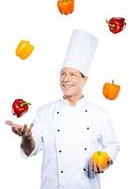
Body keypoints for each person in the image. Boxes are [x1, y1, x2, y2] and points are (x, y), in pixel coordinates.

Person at [6, 29, 120, 189]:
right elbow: (32, 148)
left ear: (84, 79)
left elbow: (113, 146)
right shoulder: (45, 112)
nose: (66, 79)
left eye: (72, 74)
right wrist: (26, 137)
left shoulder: (99, 114)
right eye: (62, 74)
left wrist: (106, 159)